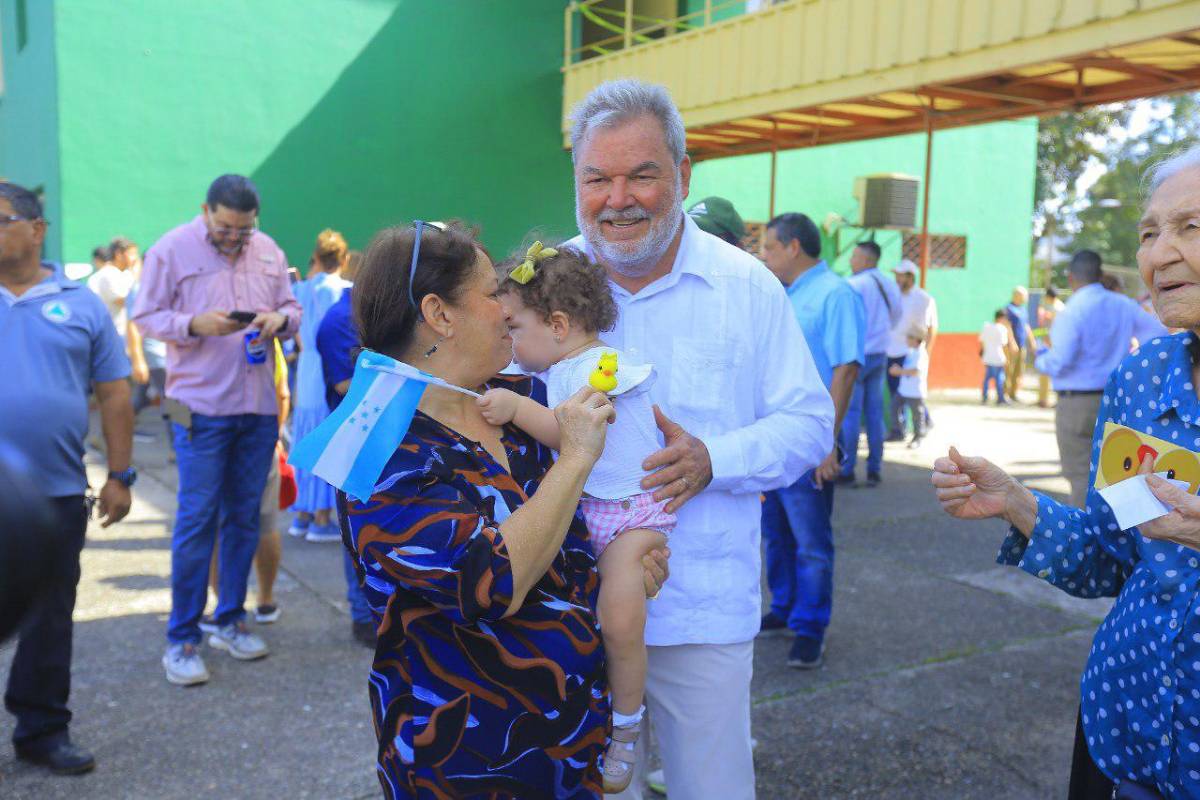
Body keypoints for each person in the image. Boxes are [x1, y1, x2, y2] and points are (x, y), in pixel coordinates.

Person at [567, 78, 833, 800]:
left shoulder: (746, 287)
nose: (617, 198)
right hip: (569, 606)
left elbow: (810, 424)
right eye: (597, 178)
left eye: (642, 175)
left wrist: (716, 458)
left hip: (701, 607)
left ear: (682, 176)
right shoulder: (544, 285)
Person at [337, 221, 669, 798]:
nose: (510, 307)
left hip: (575, 741)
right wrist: (575, 461)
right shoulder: (377, 451)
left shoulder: (523, 397)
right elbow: (487, 585)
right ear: (440, 315)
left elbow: (578, 529)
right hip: (472, 761)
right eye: (493, 293)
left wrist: (628, 562)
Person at [931, 145, 1200, 799]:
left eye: (1190, 227)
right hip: (1124, 730)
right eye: (1148, 233)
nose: (1159, 254)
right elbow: (1111, 558)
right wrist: (1019, 504)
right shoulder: (1142, 379)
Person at [477, 242, 676, 792]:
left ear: (559, 324)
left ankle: (627, 731)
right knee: (597, 622)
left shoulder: (596, 372)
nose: (509, 341)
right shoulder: (566, 365)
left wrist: (516, 408)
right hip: (598, 513)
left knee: (619, 623)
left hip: (630, 515)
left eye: (514, 326)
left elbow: (572, 437)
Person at [131, 174, 301, 686]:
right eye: (226, 228)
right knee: (197, 518)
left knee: (246, 517)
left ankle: (231, 618)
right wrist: (192, 326)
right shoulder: (171, 250)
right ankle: (182, 637)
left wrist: (279, 319)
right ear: (205, 210)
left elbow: (294, 309)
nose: (235, 238)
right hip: (200, 406)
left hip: (257, 406)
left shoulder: (267, 250)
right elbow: (145, 315)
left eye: (244, 230)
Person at [0, 182, 133, 775]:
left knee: (50, 615)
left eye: (2, 220)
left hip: (55, 495)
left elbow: (114, 393)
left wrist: (121, 474)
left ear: (36, 229)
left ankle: (42, 729)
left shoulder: (80, 304)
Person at [757, 211, 864, 670]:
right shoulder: (785, 294)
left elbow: (846, 368)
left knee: (811, 541)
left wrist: (827, 441)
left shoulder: (836, 294)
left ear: (793, 247)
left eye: (768, 248)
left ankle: (811, 627)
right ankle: (784, 608)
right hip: (776, 438)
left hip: (809, 443)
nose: (763, 256)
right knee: (776, 535)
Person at [1033, 249, 1168, 508]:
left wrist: (1040, 359)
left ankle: (1088, 544)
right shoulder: (1123, 304)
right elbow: (1156, 333)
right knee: (1119, 475)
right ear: (1100, 274)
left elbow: (1060, 360)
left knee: (1081, 478)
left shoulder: (1071, 311)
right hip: (1117, 398)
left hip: (1076, 403)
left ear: (1071, 278)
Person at [202, 338, 291, 628]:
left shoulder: (198, 332)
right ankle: (264, 600)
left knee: (216, 525)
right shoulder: (264, 334)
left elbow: (176, 401)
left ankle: (222, 603)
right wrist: (274, 436)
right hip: (258, 440)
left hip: (209, 443)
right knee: (263, 523)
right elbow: (282, 394)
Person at [313, 283, 378, 648]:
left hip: (373, 435)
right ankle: (362, 616)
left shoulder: (359, 311)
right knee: (358, 530)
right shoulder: (340, 319)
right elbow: (343, 385)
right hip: (358, 439)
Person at [287, 229, 351, 542]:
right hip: (327, 366)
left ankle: (301, 515)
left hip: (306, 367)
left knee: (303, 439)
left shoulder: (300, 289)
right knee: (327, 441)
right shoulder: (343, 290)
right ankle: (322, 517)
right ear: (344, 258)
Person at [840, 240, 901, 487]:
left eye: (854, 256)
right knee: (875, 414)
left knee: (851, 413)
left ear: (866, 260)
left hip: (856, 356)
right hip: (879, 355)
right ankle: (875, 468)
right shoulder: (889, 284)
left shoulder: (853, 285)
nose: (851, 261)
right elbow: (896, 316)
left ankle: (847, 469)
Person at [886, 259, 937, 440]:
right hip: (891, 350)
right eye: (896, 275)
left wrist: (926, 354)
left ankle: (918, 426)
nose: (897, 279)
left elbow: (932, 328)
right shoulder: (893, 295)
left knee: (911, 394)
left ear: (910, 276)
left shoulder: (924, 298)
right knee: (897, 395)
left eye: (900, 275)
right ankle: (902, 429)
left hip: (910, 353)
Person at [888, 325, 930, 449]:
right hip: (904, 390)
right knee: (893, 408)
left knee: (917, 416)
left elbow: (916, 371)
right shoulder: (910, 351)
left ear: (916, 339)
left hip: (915, 392)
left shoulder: (921, 353)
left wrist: (899, 371)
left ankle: (918, 437)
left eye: (909, 337)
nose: (906, 340)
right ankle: (899, 432)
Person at [87, 235, 137, 337]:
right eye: (131, 254)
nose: (135, 258)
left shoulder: (125, 273)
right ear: (119, 254)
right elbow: (123, 301)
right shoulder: (108, 274)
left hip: (126, 334)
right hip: (114, 335)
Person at [1004, 286, 1035, 402]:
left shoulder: (1023, 309)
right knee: (1009, 370)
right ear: (1017, 295)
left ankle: (1013, 394)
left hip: (1022, 345)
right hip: (1011, 346)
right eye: (1024, 295)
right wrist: (1012, 342)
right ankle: (1005, 395)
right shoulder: (1009, 309)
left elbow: (1026, 326)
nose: (1026, 298)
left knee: (1019, 370)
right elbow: (1007, 326)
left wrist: (1032, 341)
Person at [1036, 285, 1066, 407]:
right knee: (1045, 372)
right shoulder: (1054, 307)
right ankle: (1043, 398)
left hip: (1052, 344)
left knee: (1050, 372)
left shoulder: (1057, 309)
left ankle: (1049, 399)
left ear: (1049, 297)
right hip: (1049, 343)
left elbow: (1054, 329)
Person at [980, 309, 1010, 405]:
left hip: (988, 356)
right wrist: (1007, 357)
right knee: (1000, 378)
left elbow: (982, 342)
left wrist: (983, 353)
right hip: (998, 357)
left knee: (987, 378)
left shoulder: (986, 327)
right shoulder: (1002, 329)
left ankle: (984, 397)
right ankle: (1000, 398)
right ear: (1002, 318)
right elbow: (1004, 345)